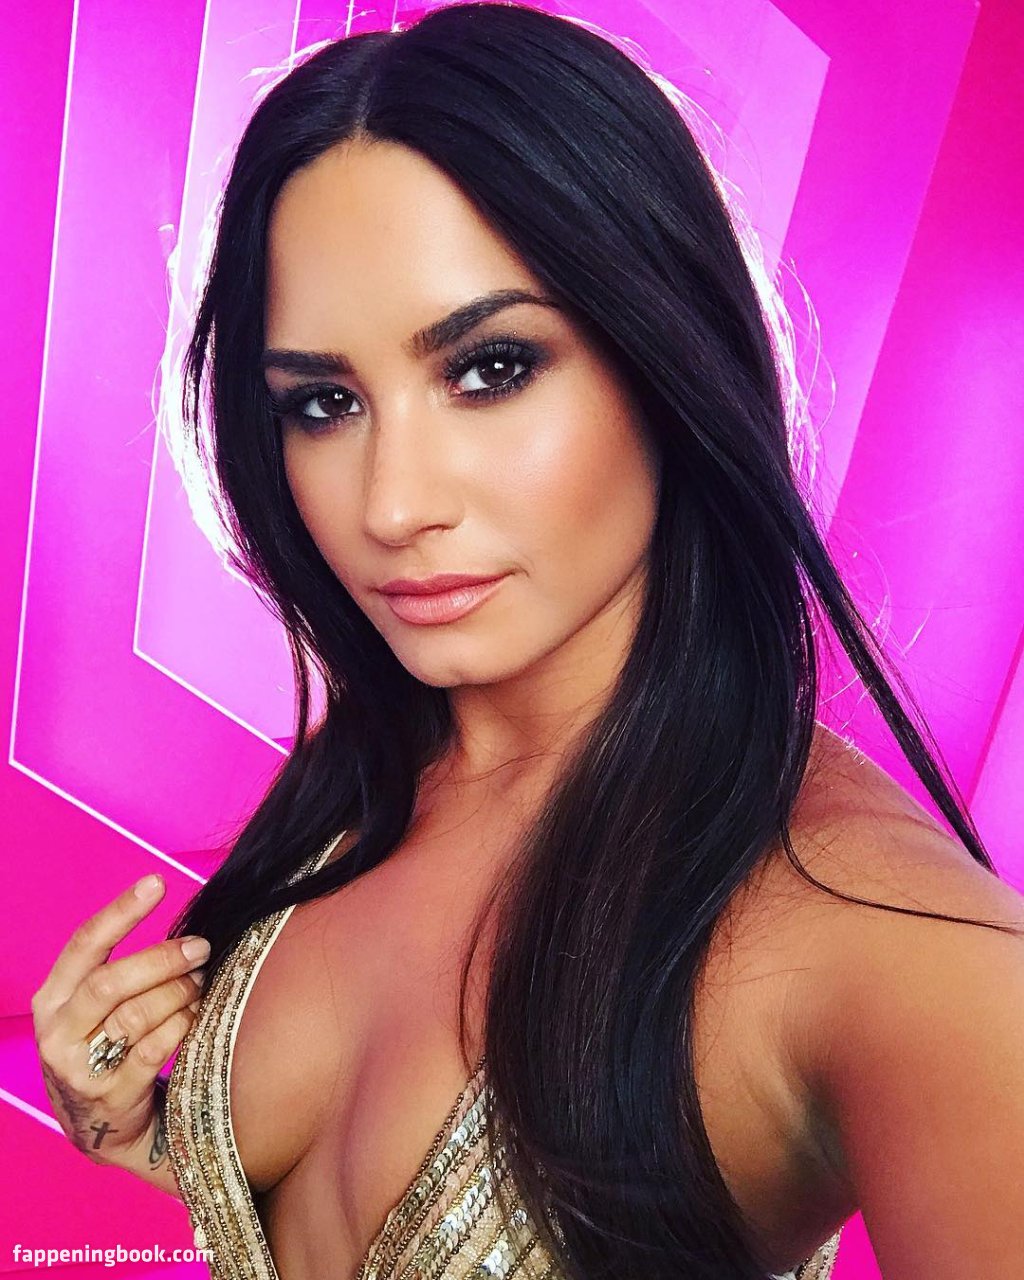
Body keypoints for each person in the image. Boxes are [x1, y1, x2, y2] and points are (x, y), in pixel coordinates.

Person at [31, 3, 1024, 1278]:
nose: (392, 506)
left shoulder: (882, 940)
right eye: (324, 402)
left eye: (490, 368)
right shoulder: (377, 763)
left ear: (667, 355)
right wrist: (143, 1131)